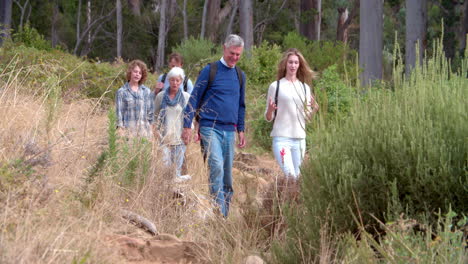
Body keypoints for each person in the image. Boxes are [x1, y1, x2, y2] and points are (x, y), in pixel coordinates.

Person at [182, 34, 246, 217]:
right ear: (224, 49)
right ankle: (217, 211)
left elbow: (241, 105)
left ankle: (223, 216)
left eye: (238, 55)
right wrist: (187, 125)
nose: (234, 57)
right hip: (210, 127)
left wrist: (241, 129)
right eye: (232, 53)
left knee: (227, 175)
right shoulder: (210, 70)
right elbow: (194, 98)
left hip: (230, 130)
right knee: (216, 166)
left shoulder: (240, 76)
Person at [264, 48, 319, 179]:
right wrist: (271, 110)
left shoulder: (305, 88)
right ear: (285, 64)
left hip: (299, 139)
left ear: (299, 65)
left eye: (296, 62)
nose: (293, 65)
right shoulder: (275, 86)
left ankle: (291, 200)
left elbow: (306, 118)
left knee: (298, 178)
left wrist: (315, 109)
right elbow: (268, 117)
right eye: (290, 62)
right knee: (290, 176)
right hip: (281, 138)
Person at [154, 67, 191, 182]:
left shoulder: (186, 97)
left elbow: (190, 118)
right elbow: (154, 115)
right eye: (172, 80)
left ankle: (175, 196)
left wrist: (189, 133)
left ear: (181, 81)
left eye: (178, 80)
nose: (175, 83)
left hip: (179, 139)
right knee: (164, 169)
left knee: (175, 172)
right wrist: (154, 131)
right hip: (164, 138)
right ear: (168, 81)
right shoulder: (161, 96)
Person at [116, 60, 154, 139]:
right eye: (135, 71)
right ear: (130, 72)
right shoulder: (122, 92)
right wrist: (121, 132)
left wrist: (151, 132)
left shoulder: (146, 91)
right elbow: (119, 114)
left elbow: (150, 114)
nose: (137, 74)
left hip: (144, 134)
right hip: (128, 135)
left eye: (140, 73)